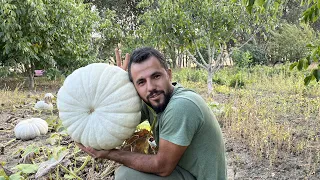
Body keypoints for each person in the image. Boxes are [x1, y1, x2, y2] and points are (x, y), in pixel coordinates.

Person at [77, 47, 227, 180]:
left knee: (126, 176)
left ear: (169, 75)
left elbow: (162, 167)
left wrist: (110, 154)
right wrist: (118, 88)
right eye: (141, 82)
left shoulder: (182, 106)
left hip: (193, 175)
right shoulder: (151, 102)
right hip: (184, 171)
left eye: (156, 76)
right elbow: (115, 120)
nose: (150, 88)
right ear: (134, 87)